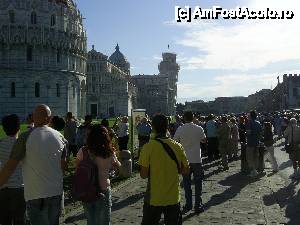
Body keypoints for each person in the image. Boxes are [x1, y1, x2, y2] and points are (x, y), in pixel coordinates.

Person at [0, 104, 68, 225]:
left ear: (33, 118)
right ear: (49, 118)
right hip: (56, 192)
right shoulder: (61, 137)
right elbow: (63, 167)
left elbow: (9, 168)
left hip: (36, 194)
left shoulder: (25, 137)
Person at [139, 114, 190, 225]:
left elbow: (143, 175)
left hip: (154, 197)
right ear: (167, 126)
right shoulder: (177, 146)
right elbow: (186, 170)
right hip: (173, 196)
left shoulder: (148, 147)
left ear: (153, 127)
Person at [76, 125, 121, 225]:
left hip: (87, 191)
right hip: (103, 189)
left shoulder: (82, 151)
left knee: (91, 220)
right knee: (104, 221)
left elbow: (78, 170)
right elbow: (118, 168)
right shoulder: (108, 152)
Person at [174, 111, 206, 213]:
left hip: (185, 159)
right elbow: (204, 140)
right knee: (198, 183)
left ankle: (188, 205)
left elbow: (175, 141)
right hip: (196, 158)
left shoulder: (180, 128)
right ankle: (198, 205)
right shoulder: (199, 128)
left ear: (184, 118)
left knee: (187, 184)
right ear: (193, 118)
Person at [0, 114, 26, 225]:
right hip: (20, 187)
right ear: (19, 127)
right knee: (19, 220)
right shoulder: (24, 144)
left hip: (3, 187)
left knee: (5, 220)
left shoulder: (0, 143)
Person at [246, 110, 262, 178]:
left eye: (248, 115)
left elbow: (248, 133)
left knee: (249, 157)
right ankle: (255, 170)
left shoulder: (249, 123)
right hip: (257, 142)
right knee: (256, 157)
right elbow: (261, 133)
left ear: (250, 116)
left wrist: (245, 133)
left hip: (250, 143)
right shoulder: (258, 123)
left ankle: (253, 171)